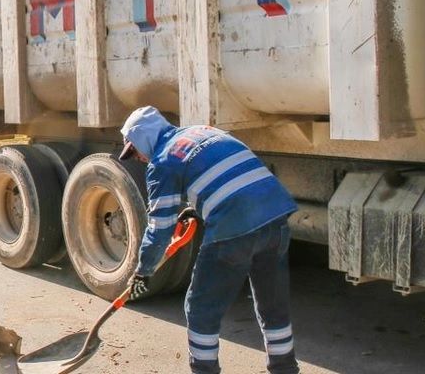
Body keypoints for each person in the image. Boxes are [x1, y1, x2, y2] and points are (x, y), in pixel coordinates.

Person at [119, 106, 299, 374]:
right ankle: (285, 370)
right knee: (272, 303)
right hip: (275, 217)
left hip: (234, 228)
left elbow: (160, 228)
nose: (139, 158)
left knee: (200, 309)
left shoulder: (162, 161)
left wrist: (143, 272)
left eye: (134, 151)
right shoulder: (203, 132)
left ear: (144, 138)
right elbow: (226, 175)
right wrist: (201, 206)